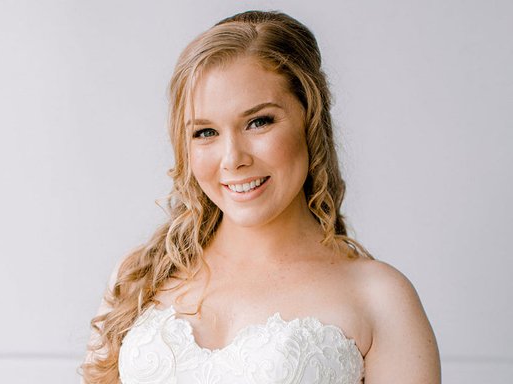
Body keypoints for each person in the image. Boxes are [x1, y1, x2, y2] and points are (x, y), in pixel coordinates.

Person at [80, 10, 440, 384]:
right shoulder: (138, 277)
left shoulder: (380, 298)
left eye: (258, 122)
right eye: (205, 132)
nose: (233, 158)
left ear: (310, 119)